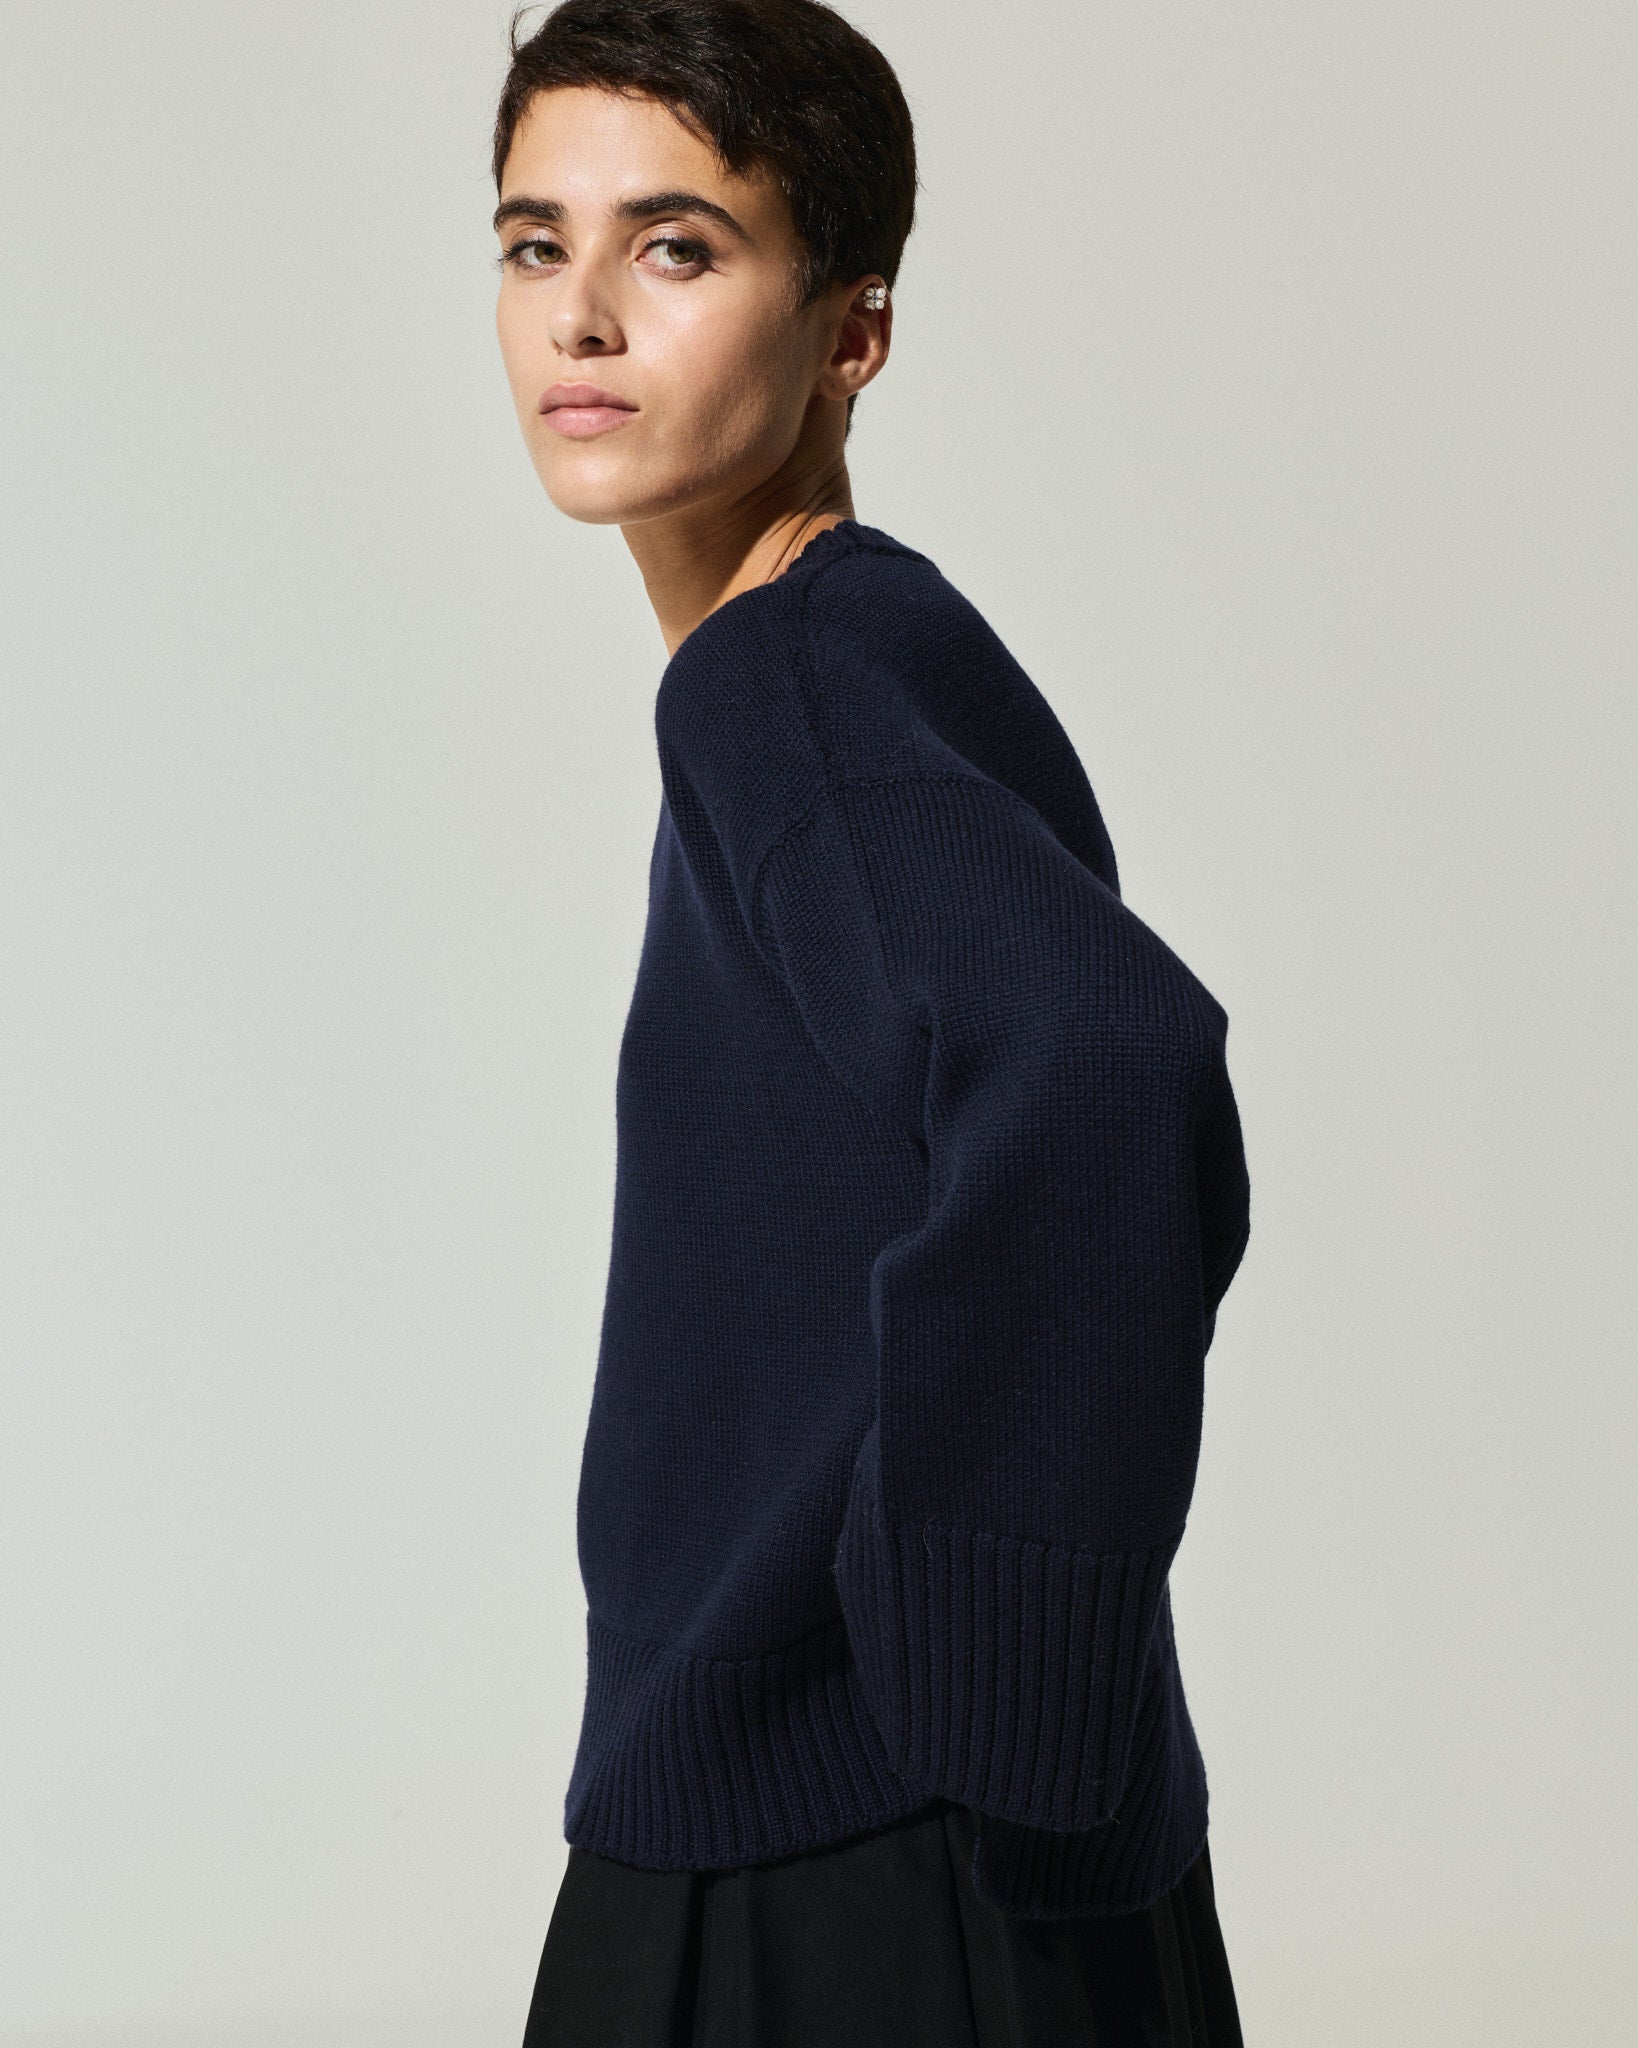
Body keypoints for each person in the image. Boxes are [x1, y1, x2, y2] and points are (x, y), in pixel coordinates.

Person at [489, 2, 1253, 2041]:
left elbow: (1107, 1057)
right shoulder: (856, 641)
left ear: (852, 331)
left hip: (847, 1851)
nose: (580, 315)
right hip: (911, 1821)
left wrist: (986, 1653)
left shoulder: (790, 686)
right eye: (535, 242)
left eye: (675, 246)